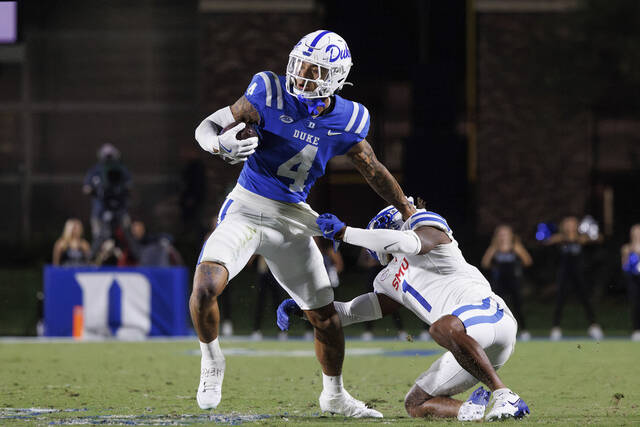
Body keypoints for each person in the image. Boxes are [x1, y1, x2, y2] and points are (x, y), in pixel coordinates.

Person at [190, 29, 414, 417]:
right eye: (300, 65)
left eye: (314, 70)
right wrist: (218, 145)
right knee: (206, 287)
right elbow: (206, 127)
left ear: (336, 77)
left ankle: (335, 395)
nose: (302, 75)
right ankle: (211, 360)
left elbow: (373, 171)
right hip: (246, 204)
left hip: (293, 217)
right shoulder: (267, 91)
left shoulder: (350, 118)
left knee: (324, 316)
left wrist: (408, 211)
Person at [278, 199, 530, 421]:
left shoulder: (427, 229)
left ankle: (503, 394)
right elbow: (351, 312)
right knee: (416, 403)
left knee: (441, 326)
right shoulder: (387, 279)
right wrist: (307, 307)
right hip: (469, 345)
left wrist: (347, 233)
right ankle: (473, 412)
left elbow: (409, 244)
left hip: (490, 317)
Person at [543, 216, 603, 341]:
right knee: (560, 301)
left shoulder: (583, 238)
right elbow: (546, 241)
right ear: (563, 226)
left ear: (577, 225)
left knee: (586, 300)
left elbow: (599, 238)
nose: (570, 226)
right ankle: (556, 328)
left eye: (573, 224)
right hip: (564, 275)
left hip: (580, 275)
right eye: (567, 224)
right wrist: (564, 238)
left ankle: (594, 326)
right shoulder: (559, 239)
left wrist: (585, 238)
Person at [481, 225, 533, 341]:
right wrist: (493, 248)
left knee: (518, 306)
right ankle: (495, 332)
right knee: (496, 307)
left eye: (505, 234)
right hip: (499, 283)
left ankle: (524, 331)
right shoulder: (494, 248)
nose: (503, 237)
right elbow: (485, 264)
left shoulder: (515, 247)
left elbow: (528, 261)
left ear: (511, 235)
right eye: (500, 234)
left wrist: (517, 250)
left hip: (514, 282)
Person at [82, 143, 132, 256]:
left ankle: (127, 261)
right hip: (100, 209)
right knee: (99, 236)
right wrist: (97, 189)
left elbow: (129, 186)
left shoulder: (121, 169)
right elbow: (86, 188)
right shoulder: (95, 170)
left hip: (120, 209)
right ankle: (94, 262)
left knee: (126, 235)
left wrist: (120, 190)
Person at [621, 224, 640, 341]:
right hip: (633, 278)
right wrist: (631, 252)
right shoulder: (626, 248)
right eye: (636, 233)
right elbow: (624, 266)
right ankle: (636, 330)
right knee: (635, 304)